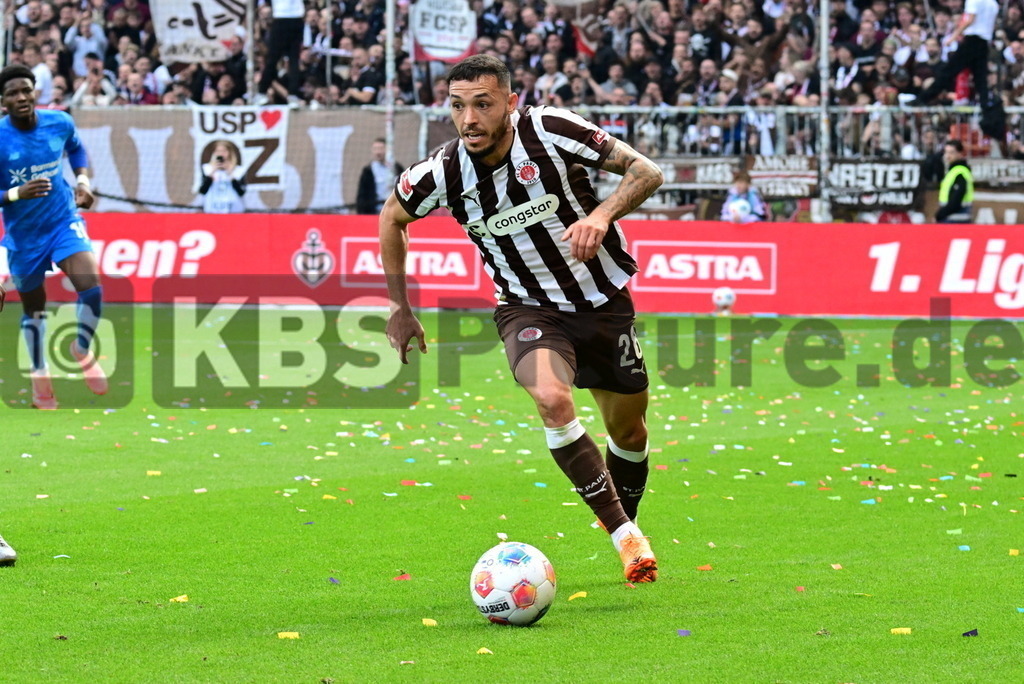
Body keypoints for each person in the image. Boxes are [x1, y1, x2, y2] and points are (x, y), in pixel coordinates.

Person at [380, 55, 664, 583]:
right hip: (526, 308)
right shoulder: (442, 172)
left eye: (483, 105)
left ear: (511, 103)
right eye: (459, 106)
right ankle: (627, 538)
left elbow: (646, 171)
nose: (470, 119)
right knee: (552, 399)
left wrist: (600, 216)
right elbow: (392, 218)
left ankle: (625, 522)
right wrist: (400, 306)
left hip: (603, 302)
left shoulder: (553, 131)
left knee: (628, 431)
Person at [0, 65, 107, 410]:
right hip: (23, 236)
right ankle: (40, 377)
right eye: (13, 93)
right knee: (35, 310)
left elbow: (76, 150)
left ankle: (81, 348)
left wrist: (83, 183)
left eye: (26, 90)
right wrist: (17, 194)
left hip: (62, 221)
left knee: (91, 287)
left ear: (35, 91)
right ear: (2, 101)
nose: (21, 97)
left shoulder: (59, 122)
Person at [911, 0, 999, 106]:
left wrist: (953, 37)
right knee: (980, 78)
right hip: (984, 42)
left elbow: (970, 20)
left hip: (972, 41)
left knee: (948, 71)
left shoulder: (974, 1)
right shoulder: (993, 3)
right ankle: (986, 105)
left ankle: (924, 98)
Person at [356, 138, 403, 215]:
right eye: (375, 149)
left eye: (381, 148)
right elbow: (362, 195)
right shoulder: (368, 171)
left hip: (394, 212)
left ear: (387, 150)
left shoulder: (397, 168)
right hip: (375, 212)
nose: (378, 152)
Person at [199, 140, 246, 214]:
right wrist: (212, 172)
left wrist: (230, 173)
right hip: (212, 210)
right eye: (218, 151)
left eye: (224, 151)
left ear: (229, 153)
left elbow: (241, 192)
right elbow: (202, 190)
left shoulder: (238, 170)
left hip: (233, 211)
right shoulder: (207, 169)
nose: (221, 153)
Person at [936, 140, 974, 223]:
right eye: (946, 152)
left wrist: (939, 215)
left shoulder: (960, 172)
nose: (948, 156)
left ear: (960, 154)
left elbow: (956, 199)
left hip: (956, 219)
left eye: (951, 153)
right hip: (952, 218)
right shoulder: (952, 171)